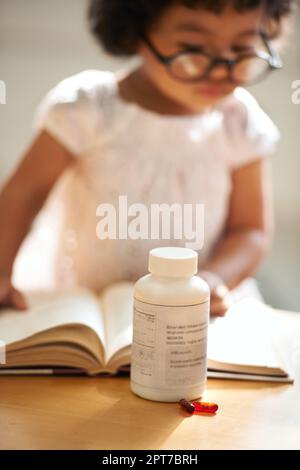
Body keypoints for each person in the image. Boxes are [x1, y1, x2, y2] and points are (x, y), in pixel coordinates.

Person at [0, 0, 295, 316]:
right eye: (192, 46)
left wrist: (215, 278)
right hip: (85, 301)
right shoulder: (87, 108)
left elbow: (249, 230)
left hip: (190, 310)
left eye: (241, 47)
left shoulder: (239, 123)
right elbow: (22, 195)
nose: (222, 67)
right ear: (135, 32)